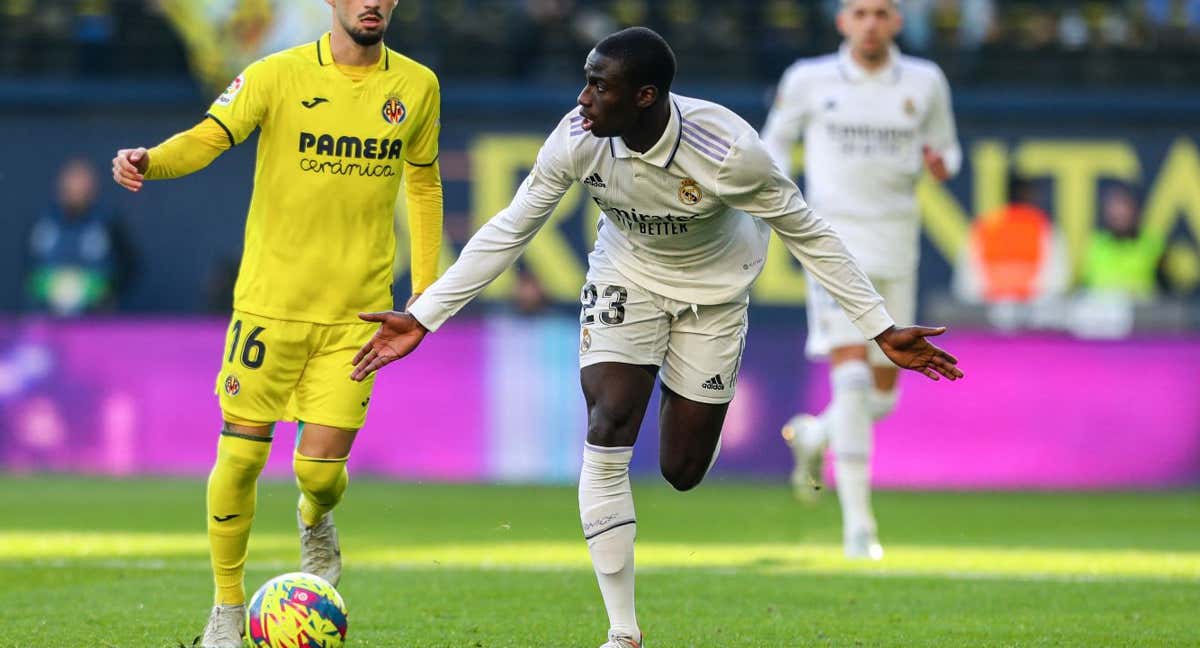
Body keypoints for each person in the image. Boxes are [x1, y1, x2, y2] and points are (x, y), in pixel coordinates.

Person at [349, 26, 961, 648]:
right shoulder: (576, 139)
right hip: (626, 275)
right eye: (585, 82)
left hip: (717, 295)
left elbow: (808, 232)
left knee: (683, 468)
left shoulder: (727, 151)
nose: (582, 99)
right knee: (610, 420)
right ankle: (622, 631)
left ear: (644, 97)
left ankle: (690, 393)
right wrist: (426, 315)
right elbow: (512, 228)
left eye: (598, 86)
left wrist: (879, 327)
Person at [110, 1, 443, 646]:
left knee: (318, 473)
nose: (370, 3)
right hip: (269, 307)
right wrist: (152, 160)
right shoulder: (275, 74)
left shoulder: (417, 85)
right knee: (238, 457)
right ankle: (228, 609)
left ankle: (315, 519)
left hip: (357, 314)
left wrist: (425, 295)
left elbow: (423, 186)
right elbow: (208, 137)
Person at [760, 0, 962, 560]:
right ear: (842, 21)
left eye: (881, 12)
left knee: (882, 395)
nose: (870, 22)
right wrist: (784, 203)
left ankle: (817, 436)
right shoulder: (808, 79)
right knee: (850, 381)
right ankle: (859, 528)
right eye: (860, 12)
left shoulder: (924, 82)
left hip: (897, 245)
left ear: (897, 22)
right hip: (832, 245)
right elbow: (772, 143)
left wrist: (944, 163)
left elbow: (948, 147)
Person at [26, 157, 137, 316]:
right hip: (48, 314)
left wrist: (107, 290)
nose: (75, 189)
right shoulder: (43, 222)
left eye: (81, 184)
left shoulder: (108, 222)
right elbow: (29, 265)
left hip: (95, 315)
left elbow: (128, 264)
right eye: (71, 183)